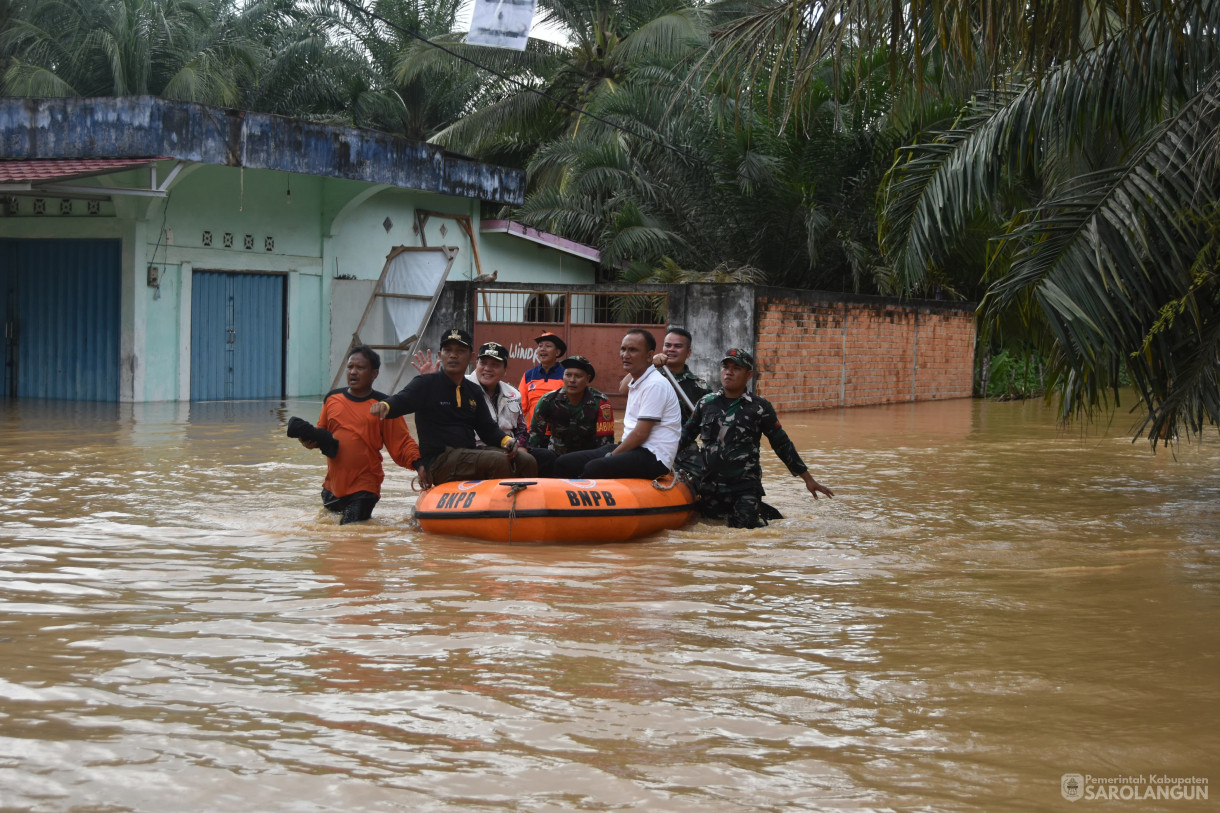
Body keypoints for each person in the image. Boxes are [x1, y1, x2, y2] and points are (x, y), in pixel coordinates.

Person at [680, 348, 834, 528]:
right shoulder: (706, 403)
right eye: (726, 367)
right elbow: (684, 437)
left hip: (744, 489)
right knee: (710, 533)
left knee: (745, 536)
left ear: (749, 374)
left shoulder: (759, 408)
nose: (729, 372)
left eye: (736, 368)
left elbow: (781, 443)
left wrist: (808, 479)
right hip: (710, 489)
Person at [370, 327, 537, 484]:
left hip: (467, 454)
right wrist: (385, 406)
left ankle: (527, 506)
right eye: (448, 350)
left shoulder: (473, 391)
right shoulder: (426, 383)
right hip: (439, 461)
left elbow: (488, 429)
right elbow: (402, 400)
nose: (453, 355)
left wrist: (508, 442)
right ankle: (501, 507)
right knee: (497, 460)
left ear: (471, 357)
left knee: (526, 460)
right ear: (440, 355)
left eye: (460, 351)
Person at [298, 345, 422, 524]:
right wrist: (310, 442)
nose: (353, 372)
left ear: (374, 374)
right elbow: (323, 436)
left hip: (365, 486)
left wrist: (420, 464)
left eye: (360, 368)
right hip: (333, 486)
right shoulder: (332, 399)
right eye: (350, 367)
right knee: (331, 538)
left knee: (350, 534)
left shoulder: (385, 406)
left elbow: (401, 443)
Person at [553, 329, 680, 480]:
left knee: (594, 467)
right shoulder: (639, 377)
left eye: (633, 350)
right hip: (633, 448)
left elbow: (640, 434)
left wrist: (611, 456)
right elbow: (622, 389)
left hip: (653, 456)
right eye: (623, 349)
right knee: (565, 462)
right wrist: (648, 363)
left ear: (649, 354)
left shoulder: (655, 384)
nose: (625, 355)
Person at [528, 355, 615, 456]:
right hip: (556, 457)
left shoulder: (601, 403)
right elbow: (535, 438)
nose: (572, 380)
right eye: (568, 375)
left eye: (578, 376)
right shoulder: (548, 400)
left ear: (587, 379)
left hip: (588, 459)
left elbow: (605, 443)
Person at [518, 331, 567, 423]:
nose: (542, 349)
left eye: (548, 346)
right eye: (540, 346)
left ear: (557, 352)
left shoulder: (566, 375)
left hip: (558, 433)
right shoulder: (528, 375)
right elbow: (520, 408)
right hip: (533, 433)